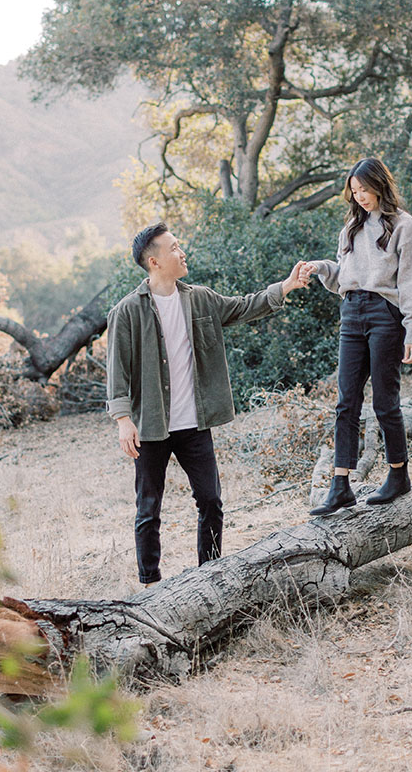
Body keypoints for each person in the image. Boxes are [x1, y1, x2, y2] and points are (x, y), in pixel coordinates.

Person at [106, 222, 311, 585]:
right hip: (151, 426)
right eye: (173, 248)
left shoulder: (199, 298)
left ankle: (210, 573)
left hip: (194, 424)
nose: (181, 252)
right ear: (153, 261)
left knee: (211, 501)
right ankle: (149, 582)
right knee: (149, 509)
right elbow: (117, 369)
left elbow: (244, 307)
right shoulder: (126, 312)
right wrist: (123, 419)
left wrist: (286, 286)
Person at [307, 158, 412, 515]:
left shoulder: (405, 226)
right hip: (351, 312)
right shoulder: (351, 227)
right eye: (354, 191)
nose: (360, 197)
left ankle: (398, 475)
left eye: (365, 189)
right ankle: (340, 484)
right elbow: (345, 274)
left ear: (380, 185)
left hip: (385, 314)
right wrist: (321, 268)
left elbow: (411, 280)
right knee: (346, 402)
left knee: (385, 402)